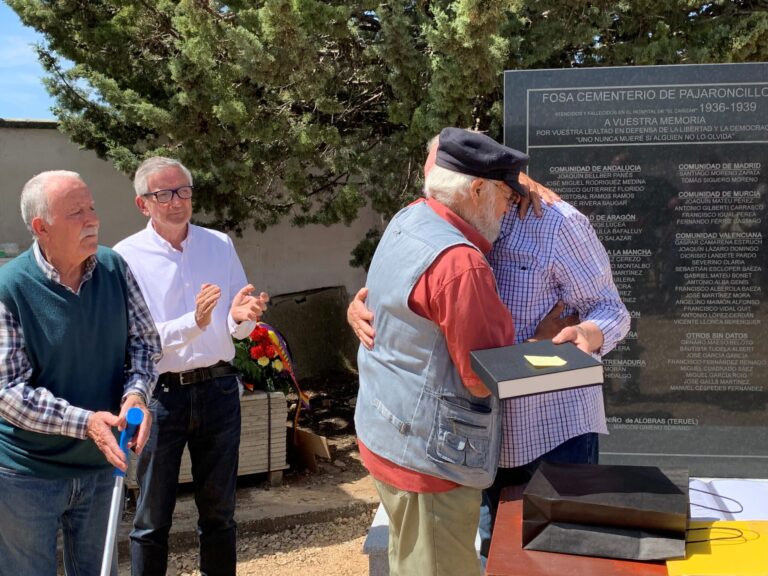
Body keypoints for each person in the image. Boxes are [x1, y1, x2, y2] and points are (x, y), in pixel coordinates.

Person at [349, 135, 631, 560]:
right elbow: (412, 294)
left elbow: (613, 309)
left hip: (551, 433)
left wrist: (588, 335)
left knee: (561, 560)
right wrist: (366, 308)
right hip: (478, 444)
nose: (509, 198)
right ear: (475, 185)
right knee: (491, 559)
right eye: (503, 186)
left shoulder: (557, 223)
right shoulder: (435, 223)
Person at [355, 127, 529, 576]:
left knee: (409, 560)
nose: (508, 210)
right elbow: (480, 374)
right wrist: (543, 346)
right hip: (431, 462)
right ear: (475, 189)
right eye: (505, 198)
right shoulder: (461, 263)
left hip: (388, 434)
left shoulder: (410, 217)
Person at [0, 170, 161, 576]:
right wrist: (86, 422)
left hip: (101, 466)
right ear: (42, 228)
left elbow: (144, 343)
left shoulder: (113, 267)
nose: (93, 219)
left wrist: (137, 393)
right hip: (26, 474)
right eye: (76, 212)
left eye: (92, 208)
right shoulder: (9, 288)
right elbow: (8, 391)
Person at [114, 157, 269, 576]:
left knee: (220, 515)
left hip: (219, 391)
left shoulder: (218, 243)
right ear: (142, 203)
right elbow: (134, 340)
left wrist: (243, 315)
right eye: (163, 194)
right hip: (161, 397)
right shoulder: (125, 257)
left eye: (183, 190)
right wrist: (194, 322)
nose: (176, 201)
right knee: (151, 519)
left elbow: (235, 328)